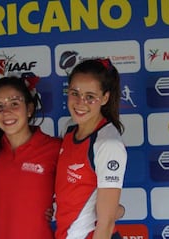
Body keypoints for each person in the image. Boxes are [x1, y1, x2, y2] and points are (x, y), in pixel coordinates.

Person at [55, 58, 127, 239]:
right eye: (74, 93)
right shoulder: (69, 128)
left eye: (90, 97)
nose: (80, 102)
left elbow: (106, 222)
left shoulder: (108, 143)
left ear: (105, 98)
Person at [0, 75, 61, 239]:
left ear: (30, 109)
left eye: (14, 104)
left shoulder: (54, 148)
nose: (7, 112)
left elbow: (79, 191)